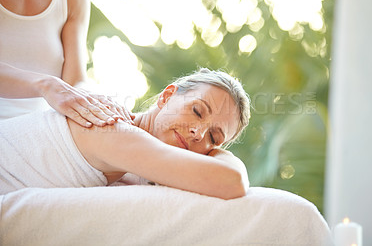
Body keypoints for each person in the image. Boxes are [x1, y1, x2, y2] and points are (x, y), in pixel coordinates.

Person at [0, 69, 251, 199]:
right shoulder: (115, 129)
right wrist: (219, 152)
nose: (198, 133)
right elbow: (232, 181)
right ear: (166, 96)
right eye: (197, 111)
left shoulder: (135, 170)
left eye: (214, 138)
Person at [0, 0, 132, 127]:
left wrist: (101, 103)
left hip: (47, 126)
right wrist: (46, 85)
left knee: (117, 130)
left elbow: (75, 83)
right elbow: (56, 87)